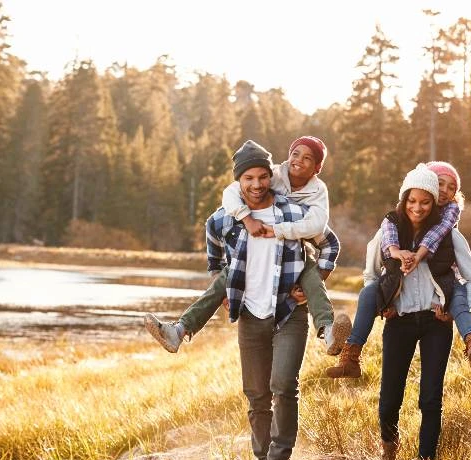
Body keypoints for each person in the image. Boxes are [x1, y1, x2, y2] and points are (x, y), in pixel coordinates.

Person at [202, 140, 339, 460]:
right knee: (256, 395)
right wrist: (221, 285)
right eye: (249, 178)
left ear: (270, 177)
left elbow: (330, 242)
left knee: (283, 387)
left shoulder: (292, 211)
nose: (258, 184)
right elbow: (213, 245)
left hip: (289, 311)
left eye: (263, 176)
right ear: (239, 181)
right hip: (250, 313)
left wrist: (313, 282)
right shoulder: (227, 217)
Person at [144, 136, 351, 357]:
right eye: (295, 154)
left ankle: (328, 332)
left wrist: (314, 279)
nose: (298, 160)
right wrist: (246, 218)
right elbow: (231, 193)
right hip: (254, 253)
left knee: (311, 275)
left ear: (317, 168)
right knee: (227, 275)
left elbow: (320, 227)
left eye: (307, 158)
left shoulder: (318, 192)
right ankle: (179, 331)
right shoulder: (271, 175)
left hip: (297, 251)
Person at [362, 165, 471, 460]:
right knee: (390, 395)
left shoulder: (450, 236)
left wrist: (454, 310)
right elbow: (370, 275)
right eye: (413, 201)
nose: (418, 207)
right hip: (399, 322)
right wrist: (381, 304)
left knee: (430, 397)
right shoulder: (388, 232)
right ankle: (389, 450)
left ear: (433, 202)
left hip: (435, 323)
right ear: (405, 199)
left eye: (426, 201)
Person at [326, 161, 471, 379]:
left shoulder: (448, 222)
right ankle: (351, 354)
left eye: (452, 188)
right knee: (368, 293)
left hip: (443, 289)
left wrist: (417, 256)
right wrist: (385, 300)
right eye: (440, 184)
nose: (445, 191)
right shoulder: (394, 221)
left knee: (458, 297)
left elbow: (438, 237)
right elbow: (375, 264)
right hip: (400, 304)